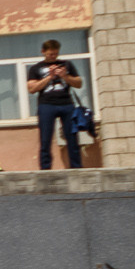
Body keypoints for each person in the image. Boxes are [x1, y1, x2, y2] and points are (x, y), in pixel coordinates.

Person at [27, 39, 85, 171]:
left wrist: (64, 76)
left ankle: (76, 168)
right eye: (50, 54)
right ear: (43, 52)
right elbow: (31, 88)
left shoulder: (66, 64)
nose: (53, 57)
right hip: (46, 105)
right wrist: (49, 77)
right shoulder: (36, 68)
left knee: (72, 138)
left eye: (55, 54)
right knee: (45, 139)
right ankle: (45, 169)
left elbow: (79, 83)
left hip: (66, 103)